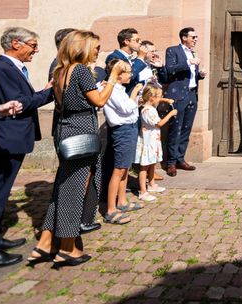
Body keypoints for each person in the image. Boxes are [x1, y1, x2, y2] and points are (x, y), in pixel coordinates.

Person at [31, 30, 124, 268]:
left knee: (62, 188)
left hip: (66, 128)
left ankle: (44, 242)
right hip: (80, 130)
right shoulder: (81, 70)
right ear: (81, 47)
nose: (98, 50)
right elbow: (100, 101)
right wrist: (113, 76)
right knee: (74, 190)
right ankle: (67, 249)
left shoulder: (60, 70)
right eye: (95, 46)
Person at [0, 27, 54, 267]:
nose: (36, 50)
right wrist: (48, 92)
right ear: (15, 44)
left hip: (13, 140)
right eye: (32, 44)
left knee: (1, 193)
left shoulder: (10, 68)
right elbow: (20, 103)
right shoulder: (2, 69)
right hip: (6, 140)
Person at [103, 59, 143, 224]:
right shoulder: (111, 89)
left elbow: (130, 109)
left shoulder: (120, 89)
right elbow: (126, 108)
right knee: (118, 169)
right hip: (122, 131)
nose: (131, 75)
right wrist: (134, 95)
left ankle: (122, 201)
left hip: (130, 128)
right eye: (127, 72)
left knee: (125, 168)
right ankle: (111, 209)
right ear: (119, 75)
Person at [164, 27, 206, 176]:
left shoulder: (193, 53)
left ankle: (180, 159)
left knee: (186, 129)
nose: (195, 39)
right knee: (176, 129)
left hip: (192, 95)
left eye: (196, 37)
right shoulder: (172, 50)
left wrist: (200, 75)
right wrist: (189, 62)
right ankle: (171, 163)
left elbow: (191, 76)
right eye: (193, 37)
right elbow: (170, 69)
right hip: (178, 95)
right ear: (184, 38)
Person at [135, 84, 176, 201]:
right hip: (147, 142)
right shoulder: (147, 110)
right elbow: (159, 123)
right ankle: (143, 191)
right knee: (144, 167)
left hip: (153, 141)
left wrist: (165, 100)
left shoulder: (151, 108)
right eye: (159, 97)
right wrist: (170, 114)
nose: (160, 99)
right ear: (152, 98)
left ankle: (152, 184)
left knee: (152, 163)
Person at [105, 28, 147, 93]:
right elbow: (127, 77)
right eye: (137, 40)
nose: (140, 42)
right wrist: (140, 58)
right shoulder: (114, 57)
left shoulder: (130, 58)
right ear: (127, 42)